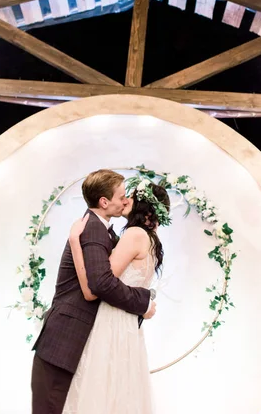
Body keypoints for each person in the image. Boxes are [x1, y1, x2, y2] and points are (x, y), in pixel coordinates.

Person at [31, 170, 157, 414]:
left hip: (72, 342)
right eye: (122, 196)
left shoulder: (103, 230)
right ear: (104, 201)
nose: (125, 201)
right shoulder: (93, 230)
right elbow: (99, 285)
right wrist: (143, 300)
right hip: (64, 342)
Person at [63, 177, 170, 414]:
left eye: (131, 196)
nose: (126, 200)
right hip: (129, 325)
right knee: (121, 389)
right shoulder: (152, 239)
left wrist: (75, 243)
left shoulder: (134, 234)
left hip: (111, 321)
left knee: (101, 387)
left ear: (144, 204)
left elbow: (98, 284)